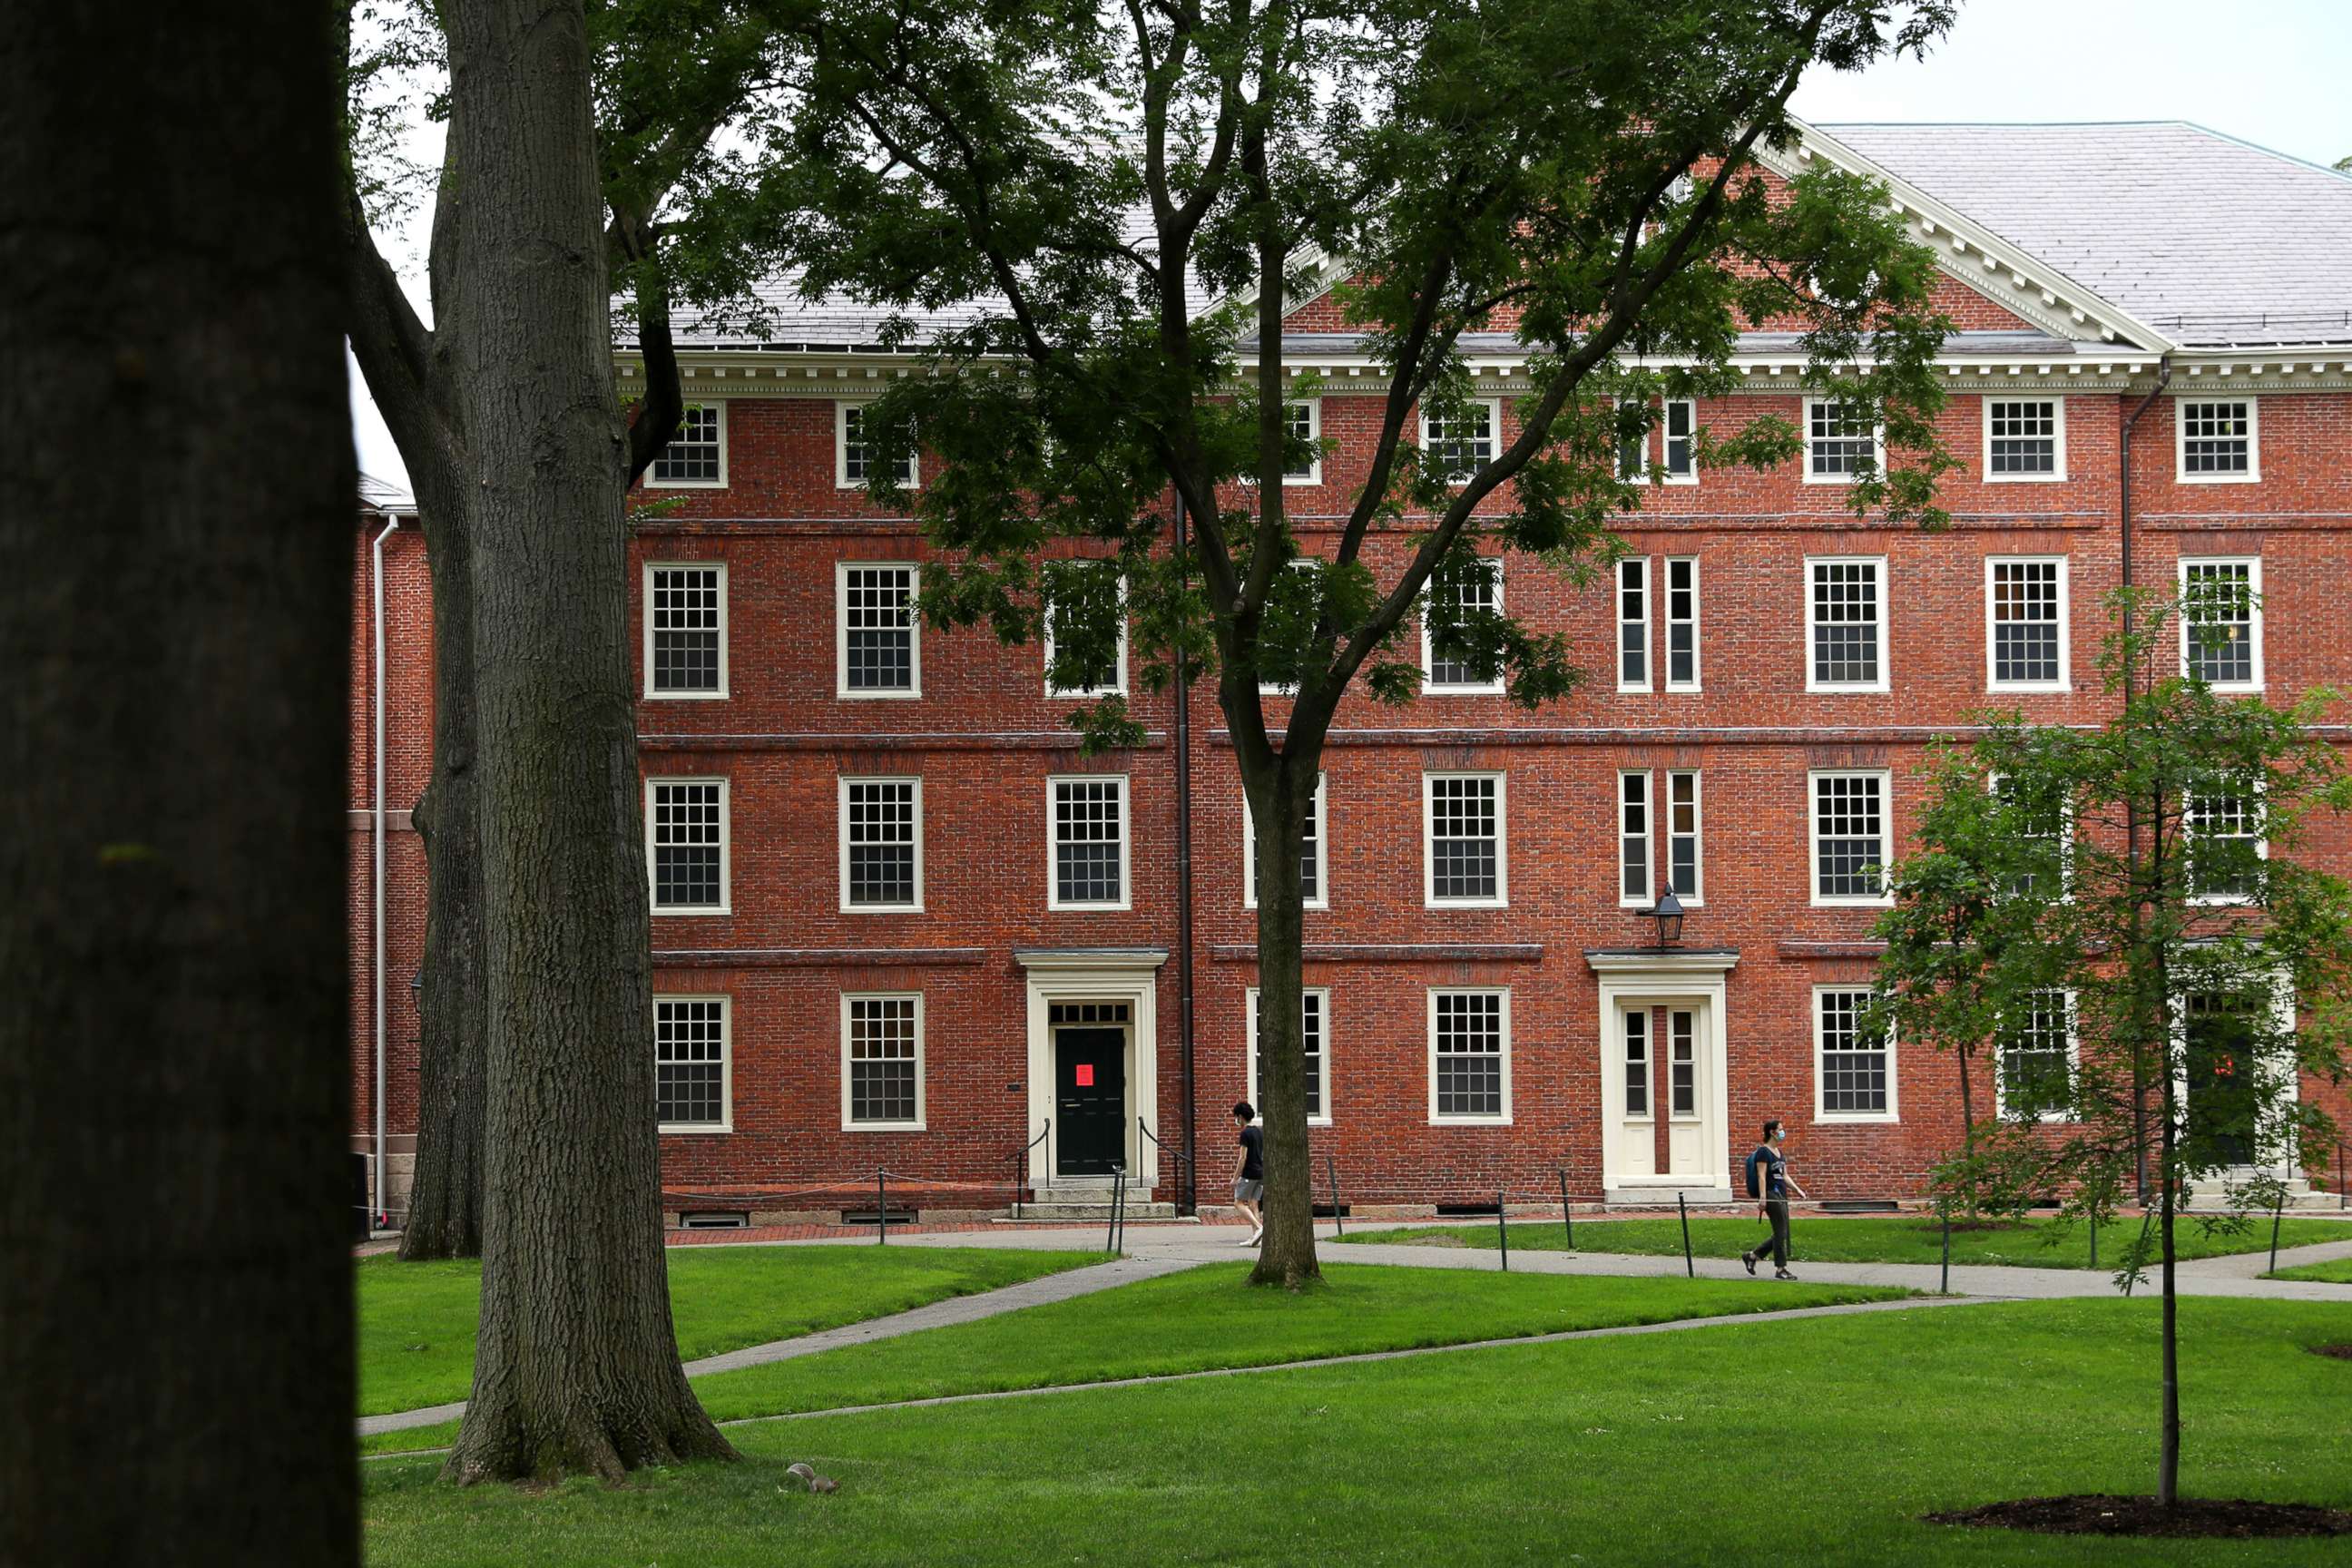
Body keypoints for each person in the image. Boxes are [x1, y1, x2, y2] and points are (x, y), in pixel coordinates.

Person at [1740, 1118, 1808, 1279]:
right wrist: (1763, 1198)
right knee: (1780, 1232)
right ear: (1772, 1132)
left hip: (1781, 1194)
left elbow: (1784, 1175)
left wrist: (1798, 1190)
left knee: (1782, 1233)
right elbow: (1761, 1176)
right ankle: (1781, 1268)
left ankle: (1752, 1256)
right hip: (1771, 1194)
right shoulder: (1763, 1152)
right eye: (1780, 1129)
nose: (1782, 1132)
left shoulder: (1779, 1153)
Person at [1230, 1100, 1264, 1247]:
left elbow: (1242, 1157)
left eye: (1236, 1117)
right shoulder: (1259, 1131)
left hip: (1249, 1173)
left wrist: (1235, 1177)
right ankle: (1256, 1238)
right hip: (1261, 1172)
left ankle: (1259, 1227)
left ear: (1240, 1117)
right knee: (1253, 1204)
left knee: (1238, 1203)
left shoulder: (1245, 1134)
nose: (1236, 1120)